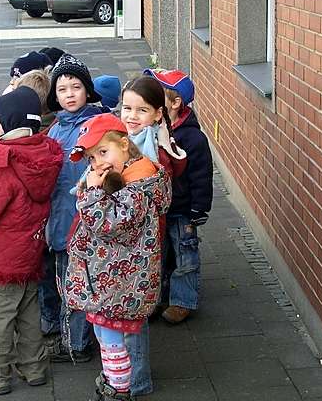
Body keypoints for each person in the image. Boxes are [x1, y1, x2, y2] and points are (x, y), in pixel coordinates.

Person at [64, 114, 172, 401]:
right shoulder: (123, 181)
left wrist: (91, 193)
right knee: (106, 340)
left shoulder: (136, 187)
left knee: (113, 346)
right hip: (109, 282)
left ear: (124, 145)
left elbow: (109, 224)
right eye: (90, 158)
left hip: (118, 287)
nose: (97, 163)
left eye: (103, 152)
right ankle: (114, 384)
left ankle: (119, 391)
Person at [0, 86, 63, 395]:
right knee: (29, 312)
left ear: (10, 126)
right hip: (30, 252)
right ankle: (33, 367)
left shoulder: (4, 163)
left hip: (1, 258)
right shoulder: (42, 154)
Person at [119, 74, 187, 396]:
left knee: (134, 317)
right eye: (126, 108)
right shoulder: (125, 141)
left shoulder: (156, 152)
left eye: (141, 110)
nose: (131, 116)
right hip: (121, 245)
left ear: (158, 114)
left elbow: (146, 201)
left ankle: (137, 381)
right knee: (122, 313)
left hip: (143, 244)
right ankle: (122, 374)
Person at [43, 53, 104, 362]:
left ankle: (76, 345)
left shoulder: (94, 126)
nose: (69, 94)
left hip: (83, 223)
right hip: (59, 221)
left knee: (77, 288)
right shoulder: (55, 128)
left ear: (88, 90)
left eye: (76, 87)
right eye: (63, 89)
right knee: (66, 285)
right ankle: (75, 338)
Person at [144, 68, 213, 324]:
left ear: (175, 103)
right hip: (157, 209)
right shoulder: (150, 130)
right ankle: (158, 297)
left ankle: (183, 300)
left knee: (185, 256)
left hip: (183, 209)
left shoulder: (193, 138)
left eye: (157, 95)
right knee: (158, 256)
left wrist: (199, 208)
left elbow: (202, 176)